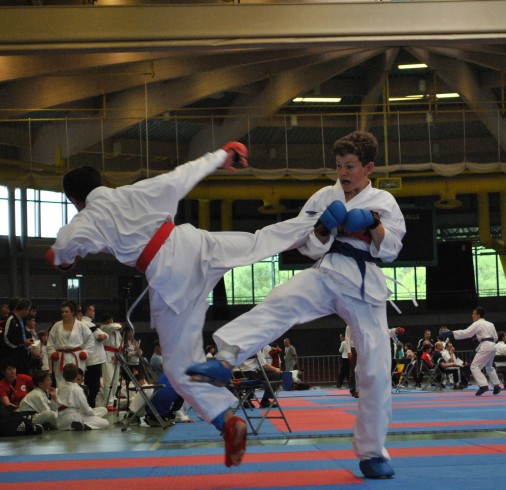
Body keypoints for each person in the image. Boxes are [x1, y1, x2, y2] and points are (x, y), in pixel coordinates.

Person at [44, 142, 321, 467]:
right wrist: (222, 155)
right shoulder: (136, 191)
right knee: (257, 241)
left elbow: (58, 253)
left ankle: (226, 421)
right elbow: (184, 174)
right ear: (100, 182)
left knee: (177, 368)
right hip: (193, 242)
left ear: (74, 200)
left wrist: (63, 258)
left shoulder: (87, 219)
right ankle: (317, 221)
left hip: (170, 274)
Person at [189, 131, 406, 479]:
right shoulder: (324, 196)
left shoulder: (383, 201)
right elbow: (309, 245)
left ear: (368, 168)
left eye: (350, 166)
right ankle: (225, 359)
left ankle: (372, 453)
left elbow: (391, 250)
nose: (343, 172)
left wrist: (374, 223)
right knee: (281, 299)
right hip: (327, 273)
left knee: (376, 370)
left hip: (364, 285)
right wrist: (323, 228)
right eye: (339, 165)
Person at [441, 306, 501, 396]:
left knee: (474, 366)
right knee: (489, 366)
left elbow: (466, 333)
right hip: (493, 346)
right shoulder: (490, 324)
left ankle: (483, 385)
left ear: (478, 315)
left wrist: (451, 333)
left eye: (473, 313)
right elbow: (495, 337)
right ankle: (496, 385)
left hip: (486, 346)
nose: (472, 315)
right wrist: (482, 339)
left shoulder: (477, 323)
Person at [46, 300, 95, 385]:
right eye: (62, 312)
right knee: (61, 382)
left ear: (72, 312)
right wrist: (52, 353)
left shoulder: (81, 325)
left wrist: (85, 353)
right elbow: (50, 342)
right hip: (61, 358)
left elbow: (90, 340)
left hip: (77, 357)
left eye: (66, 312)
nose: (64, 314)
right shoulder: (56, 326)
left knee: (77, 382)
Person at [56, 363, 109, 431]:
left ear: (63, 375)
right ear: (76, 375)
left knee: (103, 410)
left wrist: (92, 413)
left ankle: (79, 424)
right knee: (105, 423)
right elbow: (86, 409)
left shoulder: (60, 384)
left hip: (61, 419)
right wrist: (92, 414)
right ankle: (84, 425)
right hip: (74, 417)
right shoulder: (77, 389)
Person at [81, 303, 107, 407]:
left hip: (92, 359)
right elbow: (102, 336)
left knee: (91, 384)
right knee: (93, 385)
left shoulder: (88, 324)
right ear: (87, 311)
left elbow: (104, 335)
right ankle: (90, 406)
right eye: (93, 310)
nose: (94, 312)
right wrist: (104, 335)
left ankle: (90, 405)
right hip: (93, 359)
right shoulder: (88, 325)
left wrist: (104, 335)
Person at [96, 314, 122, 410]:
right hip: (106, 354)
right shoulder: (104, 328)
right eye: (109, 321)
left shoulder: (116, 331)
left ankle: (112, 400)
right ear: (105, 322)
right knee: (108, 380)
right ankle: (108, 403)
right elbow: (115, 326)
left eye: (111, 320)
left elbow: (120, 342)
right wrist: (118, 325)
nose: (111, 323)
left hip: (116, 355)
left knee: (115, 381)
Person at [2, 298, 34, 375]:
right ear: (24, 309)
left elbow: (22, 336)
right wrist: (23, 343)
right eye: (28, 310)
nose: (28, 312)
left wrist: (28, 339)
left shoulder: (21, 320)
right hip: (12, 357)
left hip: (22, 356)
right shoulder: (11, 320)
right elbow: (6, 339)